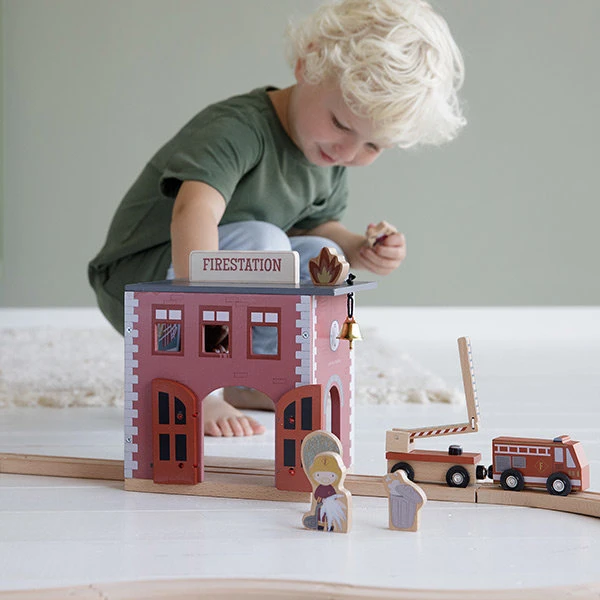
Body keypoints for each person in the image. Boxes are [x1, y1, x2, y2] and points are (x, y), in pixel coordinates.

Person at [88, 0, 466, 437]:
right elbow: (194, 212)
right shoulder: (238, 129)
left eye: (373, 146)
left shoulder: (327, 160)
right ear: (307, 64)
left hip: (218, 271)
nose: (347, 152)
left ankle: (251, 378)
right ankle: (199, 384)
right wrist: (201, 314)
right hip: (141, 280)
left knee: (319, 255)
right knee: (265, 246)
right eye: (341, 124)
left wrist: (359, 249)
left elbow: (315, 227)